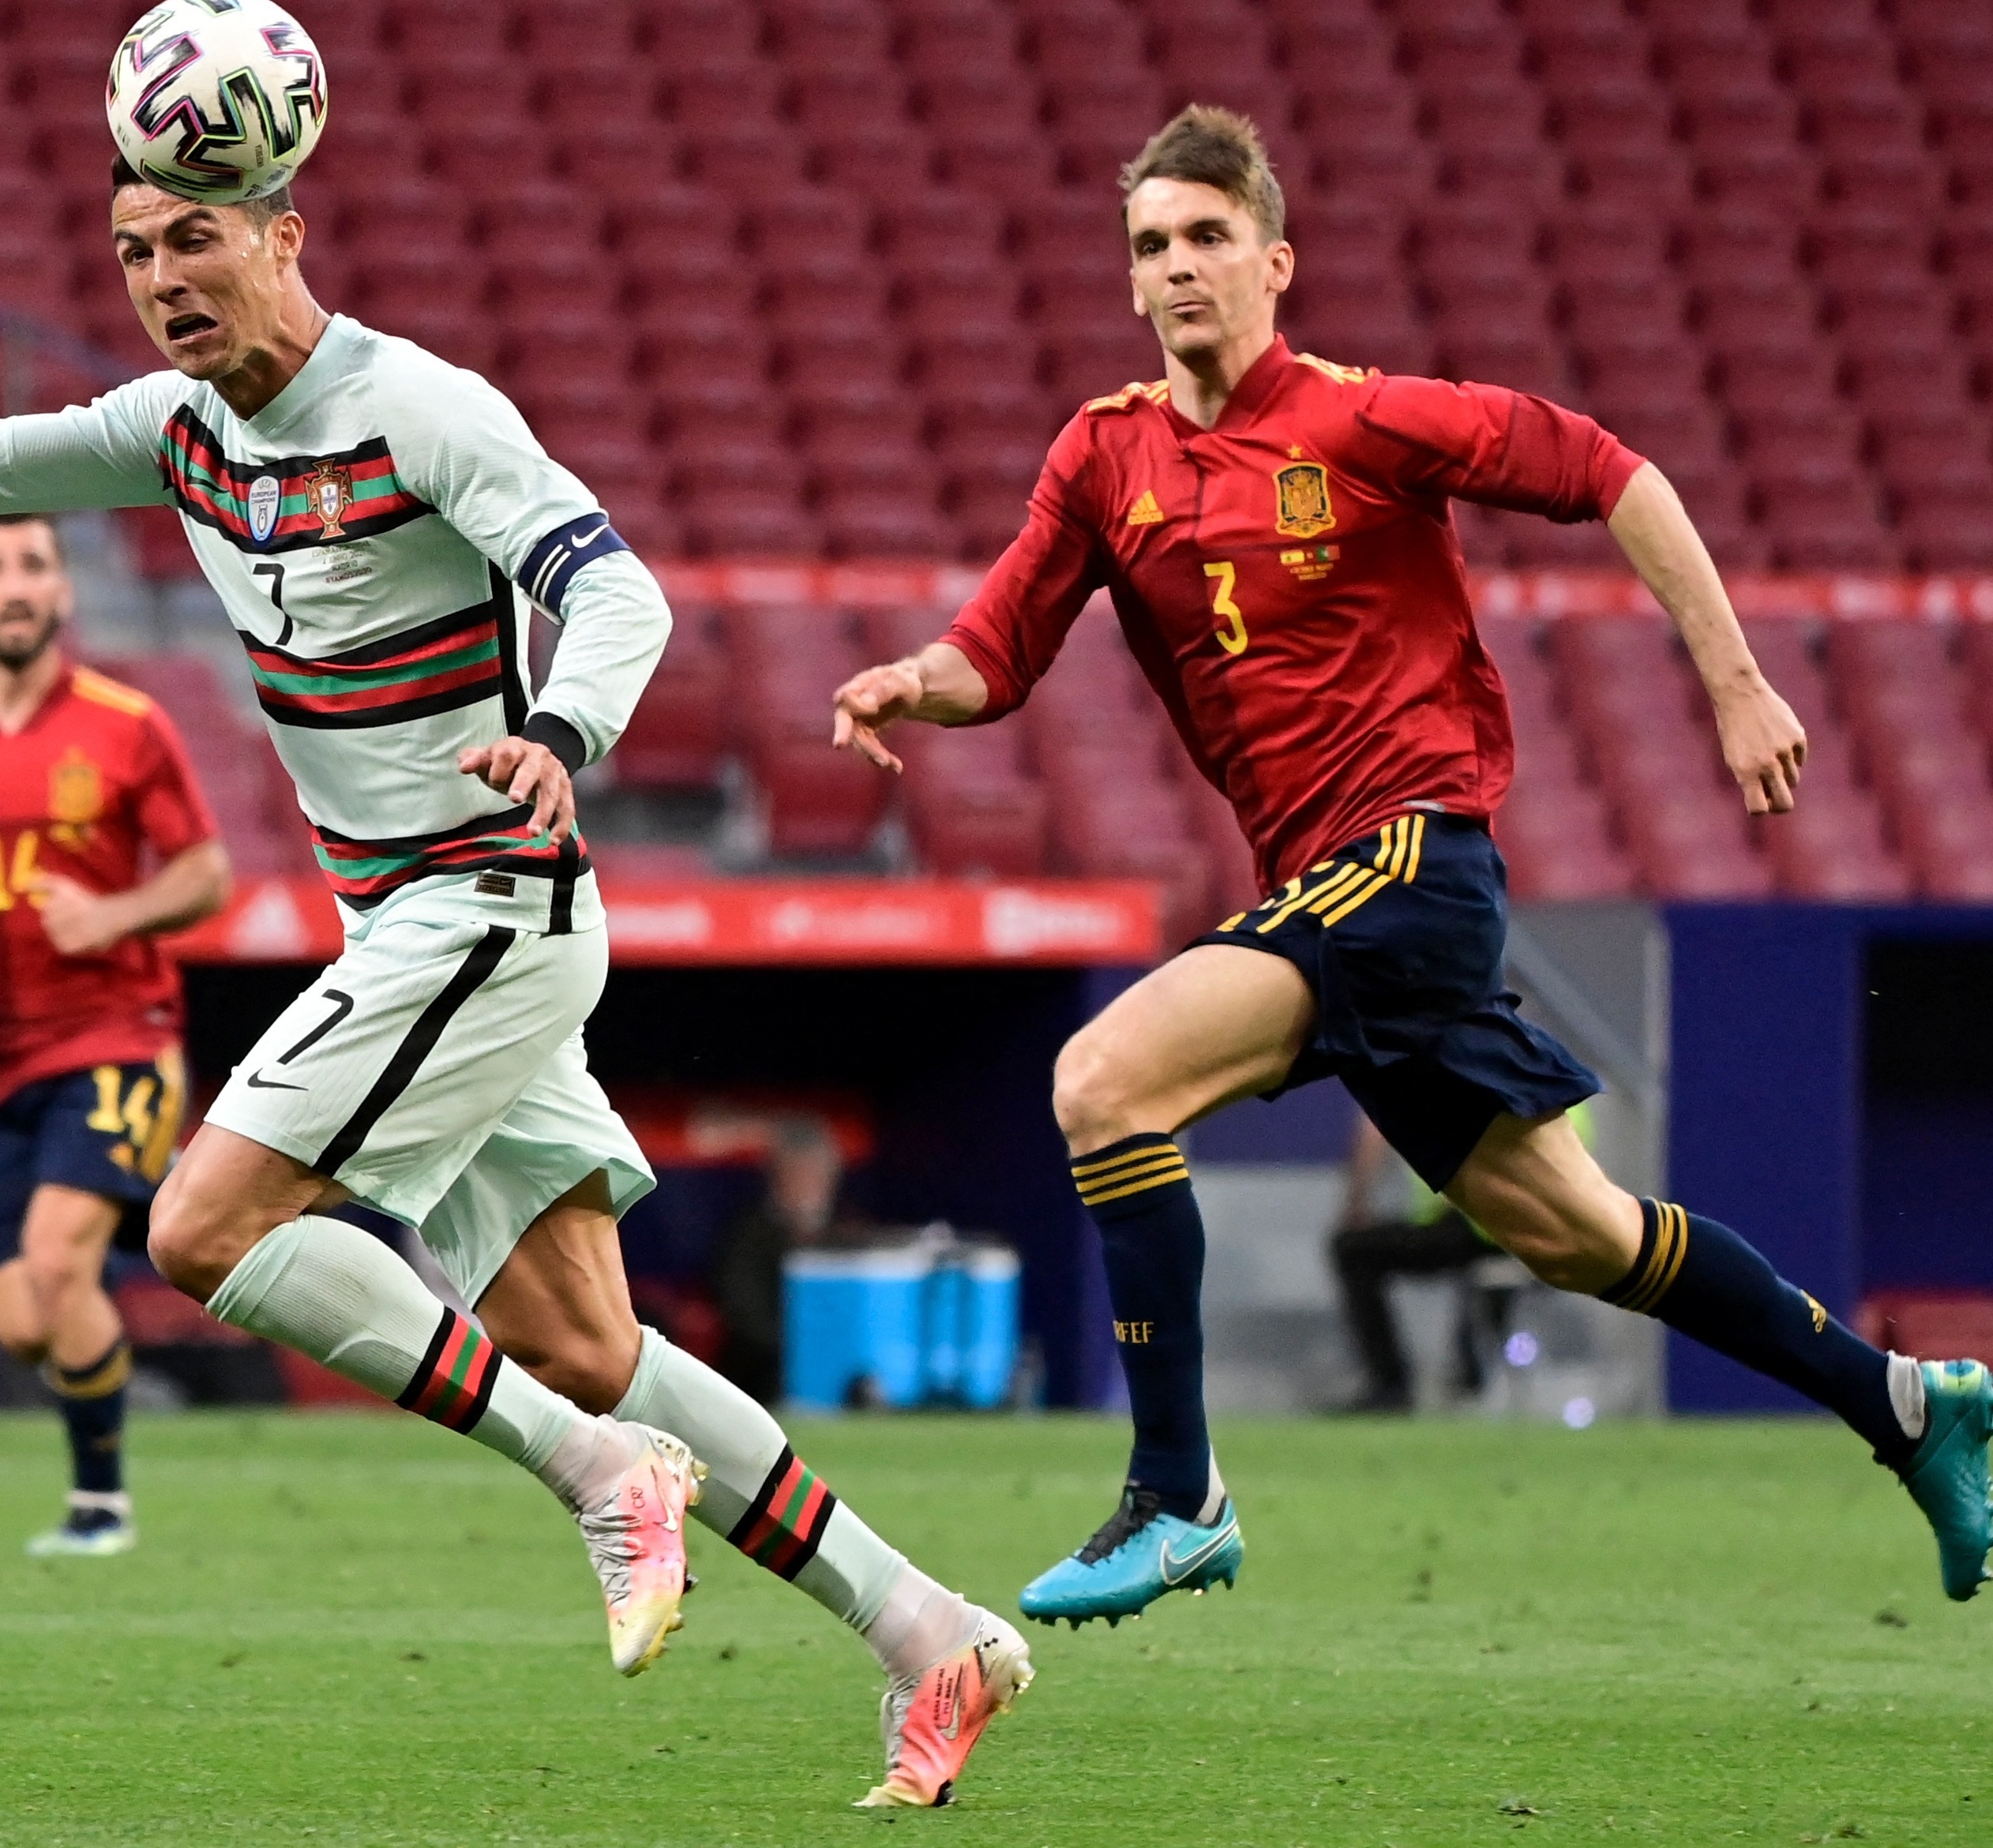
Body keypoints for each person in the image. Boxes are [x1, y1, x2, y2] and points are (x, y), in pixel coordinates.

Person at [0, 143, 1030, 1807]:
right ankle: (923, 1628)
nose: (158, 276)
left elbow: (614, 590)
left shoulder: (418, 406)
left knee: (203, 1224)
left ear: (285, 233)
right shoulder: (179, 432)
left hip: (484, 897)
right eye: (132, 248)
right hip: (417, 924)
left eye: (192, 238)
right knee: (580, 1335)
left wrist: (560, 732)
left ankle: (591, 1480)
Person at [831, 106, 1991, 1627]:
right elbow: (999, 648)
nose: (1178, 269)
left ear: (1272, 261)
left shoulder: (1365, 423)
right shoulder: (1102, 455)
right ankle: (1906, 1402)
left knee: (1104, 1082)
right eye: (1150, 247)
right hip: (1339, 886)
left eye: (1206, 239)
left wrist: (1731, 679)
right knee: (1578, 1233)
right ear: (1129, 282)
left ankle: (1176, 1493)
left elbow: (1611, 471)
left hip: (1409, 857)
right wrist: (915, 680)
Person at [0, 511, 232, 1555]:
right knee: (24, 1318)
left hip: (117, 1033)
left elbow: (206, 871)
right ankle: (126, 1330)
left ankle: (100, 1506)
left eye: (33, 565)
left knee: (56, 1262)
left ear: (64, 591)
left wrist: (112, 916)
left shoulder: (128, 724)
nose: (15, 585)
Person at [1327, 1115, 1512, 1413]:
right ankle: (1469, 1377)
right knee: (1495, 1280)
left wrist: (1356, 1199)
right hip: (1524, 1234)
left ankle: (1392, 1386)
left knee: (1353, 1251)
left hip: (1470, 1223)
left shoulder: (1431, 1074)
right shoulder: (1559, 1094)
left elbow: (1374, 1131)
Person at [711, 1118, 866, 1404]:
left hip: (840, 1377)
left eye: (817, 1174)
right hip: (762, 1376)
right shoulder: (747, 1237)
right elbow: (743, 1316)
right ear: (776, 1176)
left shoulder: (847, 1236)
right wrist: (802, 1350)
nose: (808, 1185)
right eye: (798, 1173)